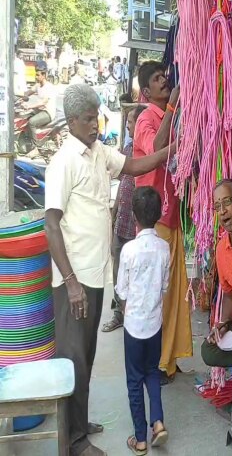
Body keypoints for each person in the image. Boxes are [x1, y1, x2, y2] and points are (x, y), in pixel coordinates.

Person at [44, 84, 174, 456]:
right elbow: (51, 226)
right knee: (73, 357)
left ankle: (79, 424)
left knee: (85, 353)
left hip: (95, 273)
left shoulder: (98, 152)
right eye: (87, 119)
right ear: (71, 122)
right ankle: (73, 442)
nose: (95, 124)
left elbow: (132, 166)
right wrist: (70, 283)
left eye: (96, 116)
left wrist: (169, 152)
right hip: (75, 279)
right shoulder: (63, 162)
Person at [134, 61, 191, 381]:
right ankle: (157, 362)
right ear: (146, 92)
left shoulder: (168, 114)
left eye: (164, 76)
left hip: (172, 215)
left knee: (174, 292)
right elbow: (156, 147)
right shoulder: (146, 117)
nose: (164, 80)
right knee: (160, 292)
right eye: (157, 79)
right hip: (157, 218)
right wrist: (171, 107)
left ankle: (167, 358)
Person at [116, 186, 170, 455]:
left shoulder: (128, 250)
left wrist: (127, 310)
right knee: (152, 373)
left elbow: (121, 291)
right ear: (159, 215)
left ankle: (139, 438)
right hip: (154, 324)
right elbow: (164, 288)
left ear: (134, 216)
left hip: (134, 327)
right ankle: (158, 422)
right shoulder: (164, 248)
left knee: (134, 380)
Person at [103, 105, 147, 333]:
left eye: (131, 122)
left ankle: (133, 315)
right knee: (118, 266)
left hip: (138, 223)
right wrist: (114, 211)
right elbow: (123, 182)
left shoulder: (146, 150)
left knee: (135, 270)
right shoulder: (128, 149)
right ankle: (119, 313)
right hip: (122, 218)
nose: (128, 126)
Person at [201, 179, 232, 368]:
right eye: (217, 206)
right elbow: (227, 294)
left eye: (227, 202)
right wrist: (223, 323)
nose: (222, 210)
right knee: (208, 350)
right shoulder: (221, 249)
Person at [23, 60, 56, 136]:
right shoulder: (38, 85)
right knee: (24, 116)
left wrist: (29, 106)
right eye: (36, 74)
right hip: (40, 110)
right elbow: (28, 92)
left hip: (48, 113)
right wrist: (23, 97)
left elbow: (43, 102)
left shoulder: (49, 87)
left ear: (43, 75)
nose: (36, 77)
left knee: (31, 122)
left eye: (38, 75)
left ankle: (34, 146)